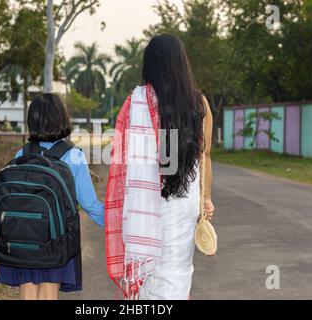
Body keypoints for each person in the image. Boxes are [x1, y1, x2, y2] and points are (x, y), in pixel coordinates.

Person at [105, 34, 215, 300]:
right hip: (183, 203)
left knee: (148, 277)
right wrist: (206, 199)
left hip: (145, 203)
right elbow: (205, 156)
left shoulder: (135, 102)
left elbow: (120, 156)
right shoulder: (198, 103)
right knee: (177, 272)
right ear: (181, 62)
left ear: (150, 64)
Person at [0, 93, 104, 300]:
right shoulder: (73, 155)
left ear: (32, 121)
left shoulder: (21, 154)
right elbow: (90, 204)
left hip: (22, 238)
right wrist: (115, 225)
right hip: (57, 238)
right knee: (48, 294)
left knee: (27, 293)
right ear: (62, 118)